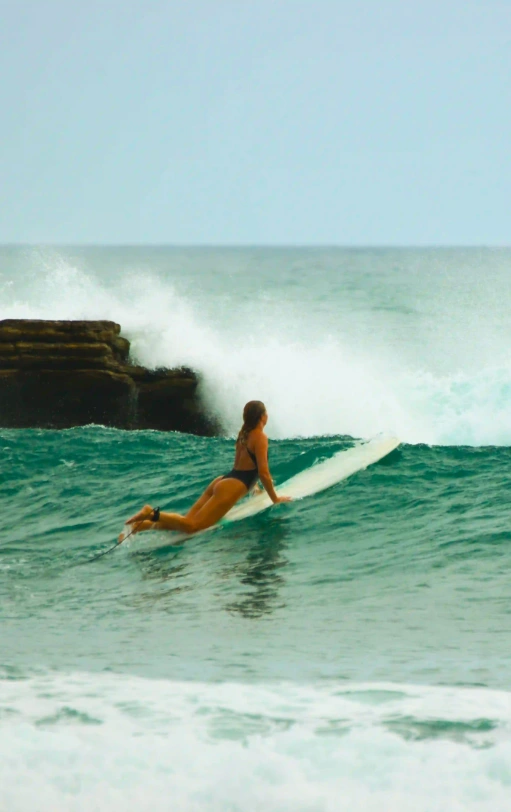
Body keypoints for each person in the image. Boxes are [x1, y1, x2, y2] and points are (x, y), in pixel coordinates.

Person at [119, 401, 291, 540]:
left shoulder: (243, 434)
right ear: (262, 416)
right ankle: (150, 513)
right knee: (193, 526)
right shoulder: (260, 437)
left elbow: (244, 466)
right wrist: (275, 498)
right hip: (232, 486)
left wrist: (255, 488)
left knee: (186, 523)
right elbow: (263, 472)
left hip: (223, 480)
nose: (267, 415)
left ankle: (140, 526)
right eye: (266, 412)